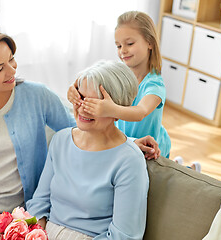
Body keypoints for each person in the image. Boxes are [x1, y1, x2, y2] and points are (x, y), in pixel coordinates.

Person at [0, 26, 158, 240]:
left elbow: (80, 126)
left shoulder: (37, 96)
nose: (12, 71)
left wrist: (130, 143)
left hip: (3, 212)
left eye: (11, 59)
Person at [26, 60, 149, 240]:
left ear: (117, 108)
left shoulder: (129, 161)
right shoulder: (61, 140)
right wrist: (36, 234)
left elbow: (124, 236)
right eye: (80, 97)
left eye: (94, 103)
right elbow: (39, 203)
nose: (83, 108)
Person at [67, 11, 171, 158]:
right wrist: (73, 88)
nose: (123, 51)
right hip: (125, 142)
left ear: (150, 42)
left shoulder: (154, 85)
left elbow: (140, 112)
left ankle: (188, 167)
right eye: (118, 46)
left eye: (129, 44)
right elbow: (92, 78)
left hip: (149, 148)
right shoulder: (120, 73)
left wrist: (110, 109)